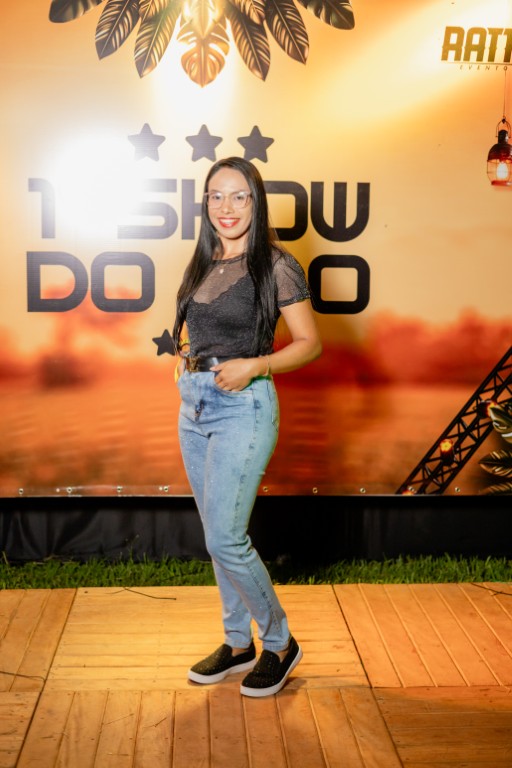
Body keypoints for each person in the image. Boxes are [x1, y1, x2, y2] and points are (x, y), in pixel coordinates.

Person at [172, 156, 322, 697]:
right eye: (216, 195)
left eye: (239, 196)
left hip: (244, 405)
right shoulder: (203, 260)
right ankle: (238, 643)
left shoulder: (276, 265)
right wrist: (188, 364)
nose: (227, 207)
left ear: (256, 203)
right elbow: (202, 329)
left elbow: (310, 343)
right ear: (205, 203)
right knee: (216, 537)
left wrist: (256, 365)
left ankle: (279, 643)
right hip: (195, 407)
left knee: (225, 537)